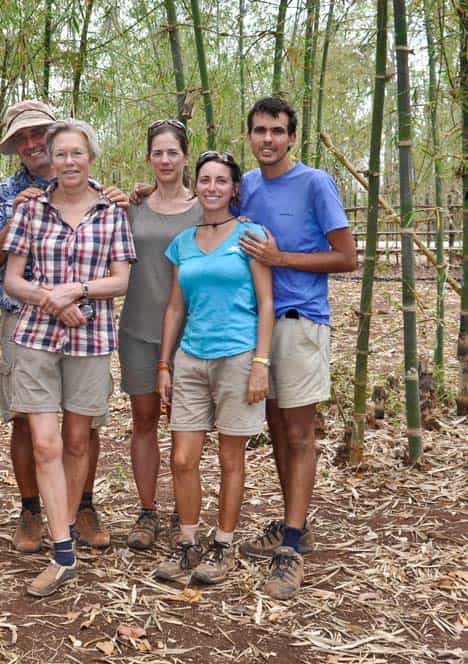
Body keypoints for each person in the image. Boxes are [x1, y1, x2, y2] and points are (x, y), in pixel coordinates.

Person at [0, 101, 124, 553]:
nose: (32, 144)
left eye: (37, 135)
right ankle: (31, 510)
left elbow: (120, 269)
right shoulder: (10, 197)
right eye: (21, 138)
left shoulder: (106, 202)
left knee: (84, 427)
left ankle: (81, 506)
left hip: (88, 321)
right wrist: (51, 298)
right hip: (26, 322)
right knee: (27, 423)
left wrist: (73, 294)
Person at [3, 119, 136, 597]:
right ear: (50, 160)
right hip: (36, 336)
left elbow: (120, 279)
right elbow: (12, 280)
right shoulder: (31, 209)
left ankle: (69, 527)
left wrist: (76, 291)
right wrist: (51, 299)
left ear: (91, 157)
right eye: (61, 154)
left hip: (92, 336)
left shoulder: (112, 212)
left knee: (78, 441)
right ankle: (62, 552)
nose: (69, 161)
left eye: (77, 153)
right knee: (45, 443)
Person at [236, 97, 356, 599]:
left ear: (292, 137)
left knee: (300, 433)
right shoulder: (246, 184)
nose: (268, 139)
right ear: (250, 135)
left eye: (277, 131)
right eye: (260, 130)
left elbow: (346, 257)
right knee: (277, 430)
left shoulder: (315, 183)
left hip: (300, 319)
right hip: (255, 323)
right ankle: (295, 526)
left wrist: (280, 257)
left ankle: (290, 548)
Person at [151, 150, 274, 585]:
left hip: (237, 355)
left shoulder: (251, 235)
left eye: (221, 180)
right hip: (191, 357)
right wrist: (164, 364)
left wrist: (261, 363)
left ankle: (223, 545)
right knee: (182, 458)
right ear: (196, 186)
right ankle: (188, 544)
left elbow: (266, 303)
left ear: (234, 188)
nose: (212, 187)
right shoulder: (183, 241)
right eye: (205, 180)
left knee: (229, 457)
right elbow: (174, 307)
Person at [119, 119, 201, 552]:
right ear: (148, 158)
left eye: (173, 152)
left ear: (186, 156)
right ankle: (148, 510)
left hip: (192, 333)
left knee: (183, 427)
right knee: (144, 420)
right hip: (138, 326)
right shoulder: (133, 206)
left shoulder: (204, 207)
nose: (165, 160)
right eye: (158, 153)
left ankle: (181, 512)